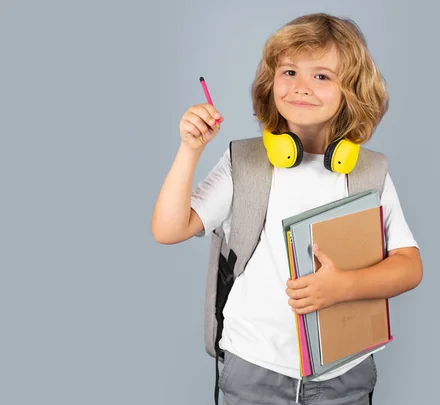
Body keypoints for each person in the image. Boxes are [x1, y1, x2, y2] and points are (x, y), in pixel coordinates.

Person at [151, 12, 423, 405]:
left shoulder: (370, 172)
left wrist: (343, 287)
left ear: (352, 91)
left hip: (344, 373)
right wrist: (190, 150)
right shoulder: (243, 161)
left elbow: (409, 265)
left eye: (322, 76)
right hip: (253, 369)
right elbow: (168, 229)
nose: (301, 87)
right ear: (271, 82)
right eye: (290, 71)